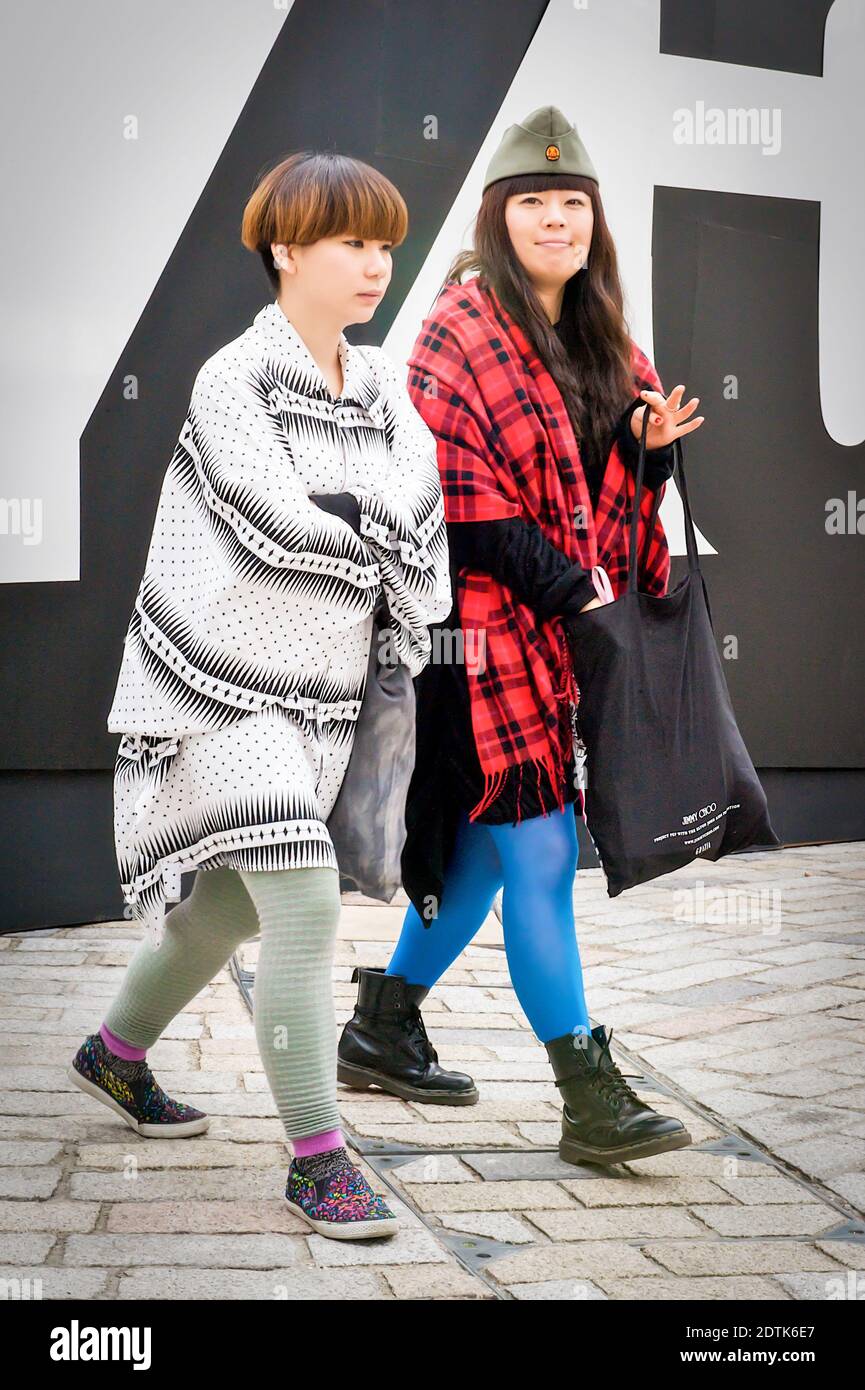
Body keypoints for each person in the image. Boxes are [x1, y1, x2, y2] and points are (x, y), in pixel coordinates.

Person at [67, 151, 452, 1239]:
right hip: (213, 689)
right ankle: (317, 1158)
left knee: (229, 908)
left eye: (384, 243)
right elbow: (273, 531)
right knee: (307, 901)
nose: (375, 264)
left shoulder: (382, 386)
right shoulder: (230, 380)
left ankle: (115, 1053)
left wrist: (355, 518)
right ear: (285, 249)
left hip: (324, 702)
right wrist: (363, 522)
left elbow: (422, 536)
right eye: (350, 241)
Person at [338, 107, 706, 1167]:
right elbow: (458, 502)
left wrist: (642, 455)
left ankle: (382, 1022)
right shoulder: (459, 323)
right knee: (538, 847)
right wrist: (569, 592)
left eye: (573, 202)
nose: (556, 218)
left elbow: (613, 501)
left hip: (544, 636)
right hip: (463, 636)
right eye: (534, 202)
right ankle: (588, 1096)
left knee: (490, 859)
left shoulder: (608, 340)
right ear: (500, 218)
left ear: (594, 220)